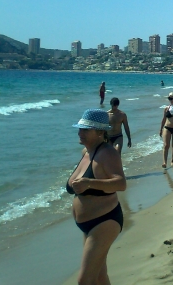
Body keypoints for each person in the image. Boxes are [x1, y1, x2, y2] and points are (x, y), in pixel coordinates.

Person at [67, 109, 126, 285]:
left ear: (100, 132)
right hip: (89, 225)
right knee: (100, 276)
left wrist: (90, 183)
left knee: (85, 280)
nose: (80, 133)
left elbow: (120, 183)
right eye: (80, 129)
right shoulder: (86, 152)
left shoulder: (107, 153)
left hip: (104, 222)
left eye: (85, 130)